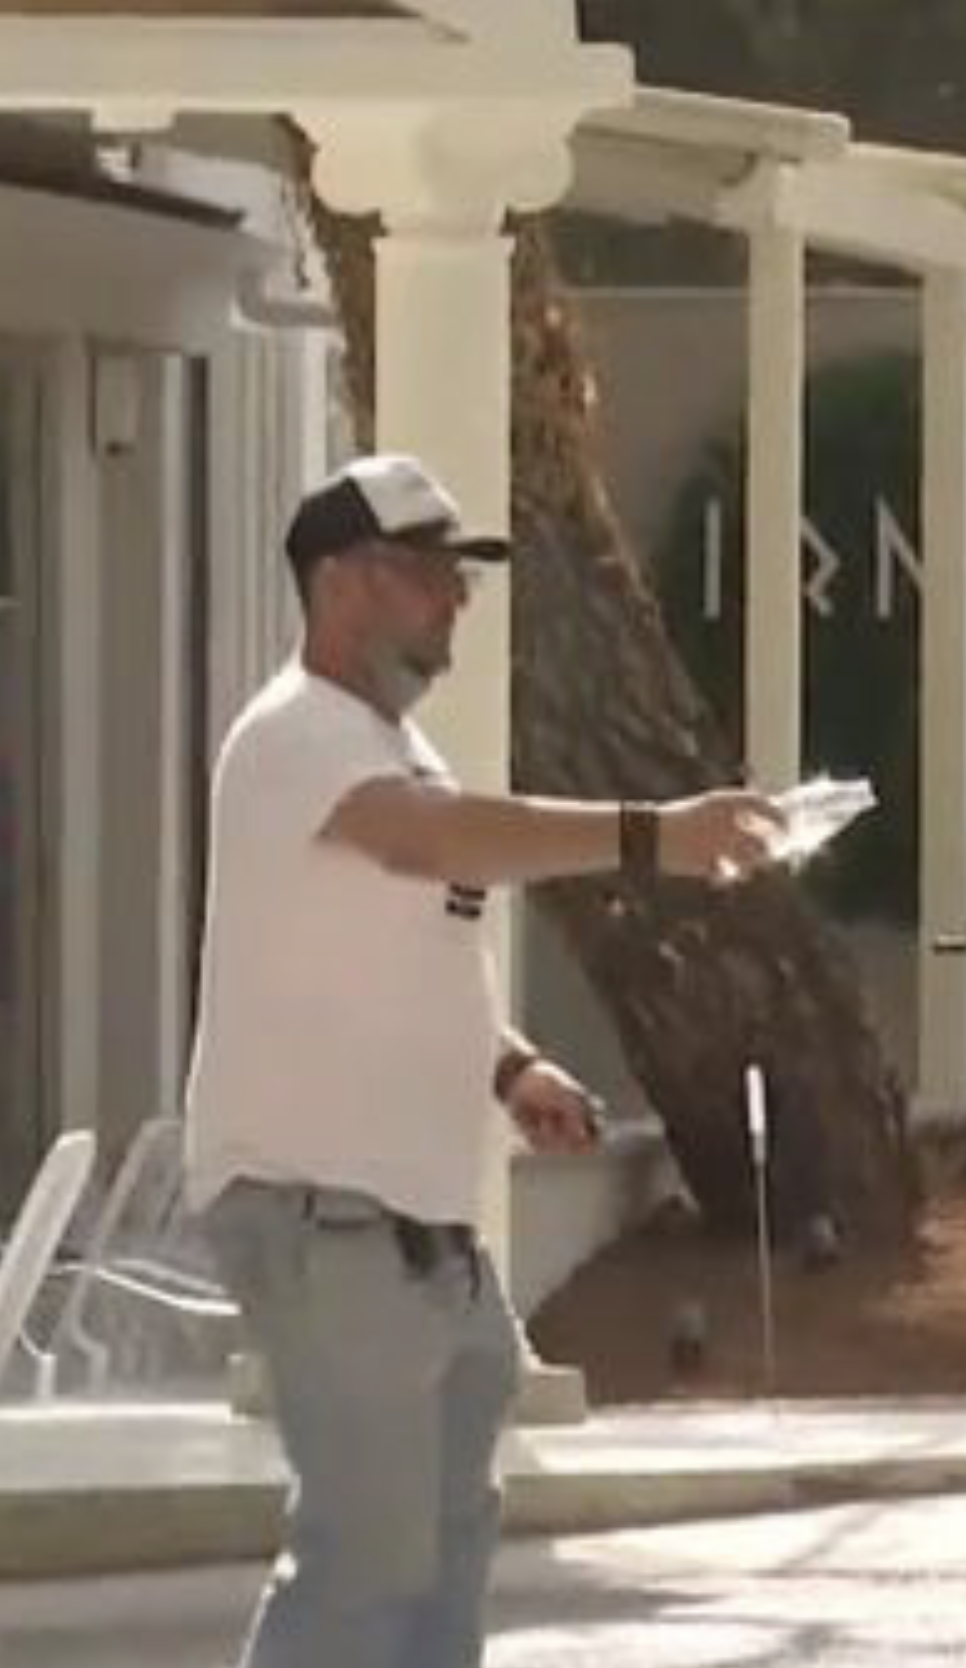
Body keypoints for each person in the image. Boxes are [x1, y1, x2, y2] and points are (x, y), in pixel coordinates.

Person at [183, 453, 781, 1668]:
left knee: (445, 1553)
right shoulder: (297, 733)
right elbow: (433, 846)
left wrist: (511, 1072)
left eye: (461, 577)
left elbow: (415, 953)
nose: (455, 599)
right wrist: (652, 835)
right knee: (364, 1563)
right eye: (426, 573)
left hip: (423, 1232)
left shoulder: (396, 749)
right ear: (339, 583)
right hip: (326, 1218)